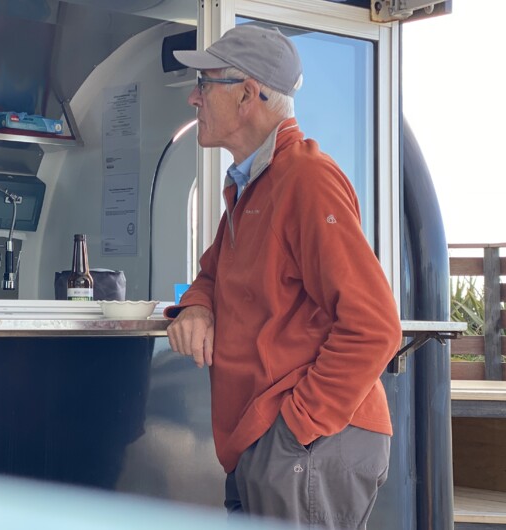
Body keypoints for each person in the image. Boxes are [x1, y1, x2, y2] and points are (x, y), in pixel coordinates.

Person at [164, 25, 402, 529]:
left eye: (204, 84)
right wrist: (198, 306)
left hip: (305, 441)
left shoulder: (306, 180)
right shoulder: (252, 187)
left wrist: (295, 428)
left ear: (247, 95)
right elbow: (211, 274)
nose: (193, 98)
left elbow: (375, 326)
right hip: (267, 441)